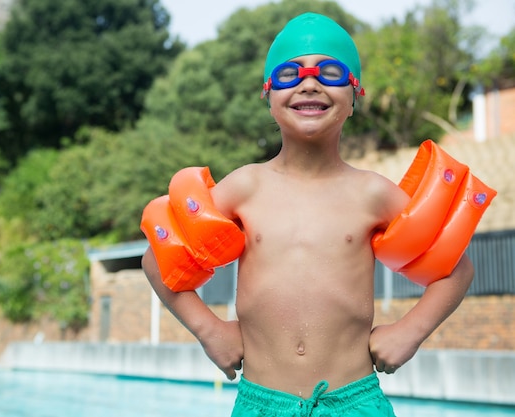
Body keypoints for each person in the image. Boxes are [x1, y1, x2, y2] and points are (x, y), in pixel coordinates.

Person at [141, 12, 475, 417]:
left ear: (355, 98)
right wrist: (209, 330)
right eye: (289, 74)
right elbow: (158, 260)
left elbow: (456, 269)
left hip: (354, 400)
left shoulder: (372, 193)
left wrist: (411, 331)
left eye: (330, 72)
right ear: (268, 96)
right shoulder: (245, 188)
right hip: (263, 402)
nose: (309, 83)